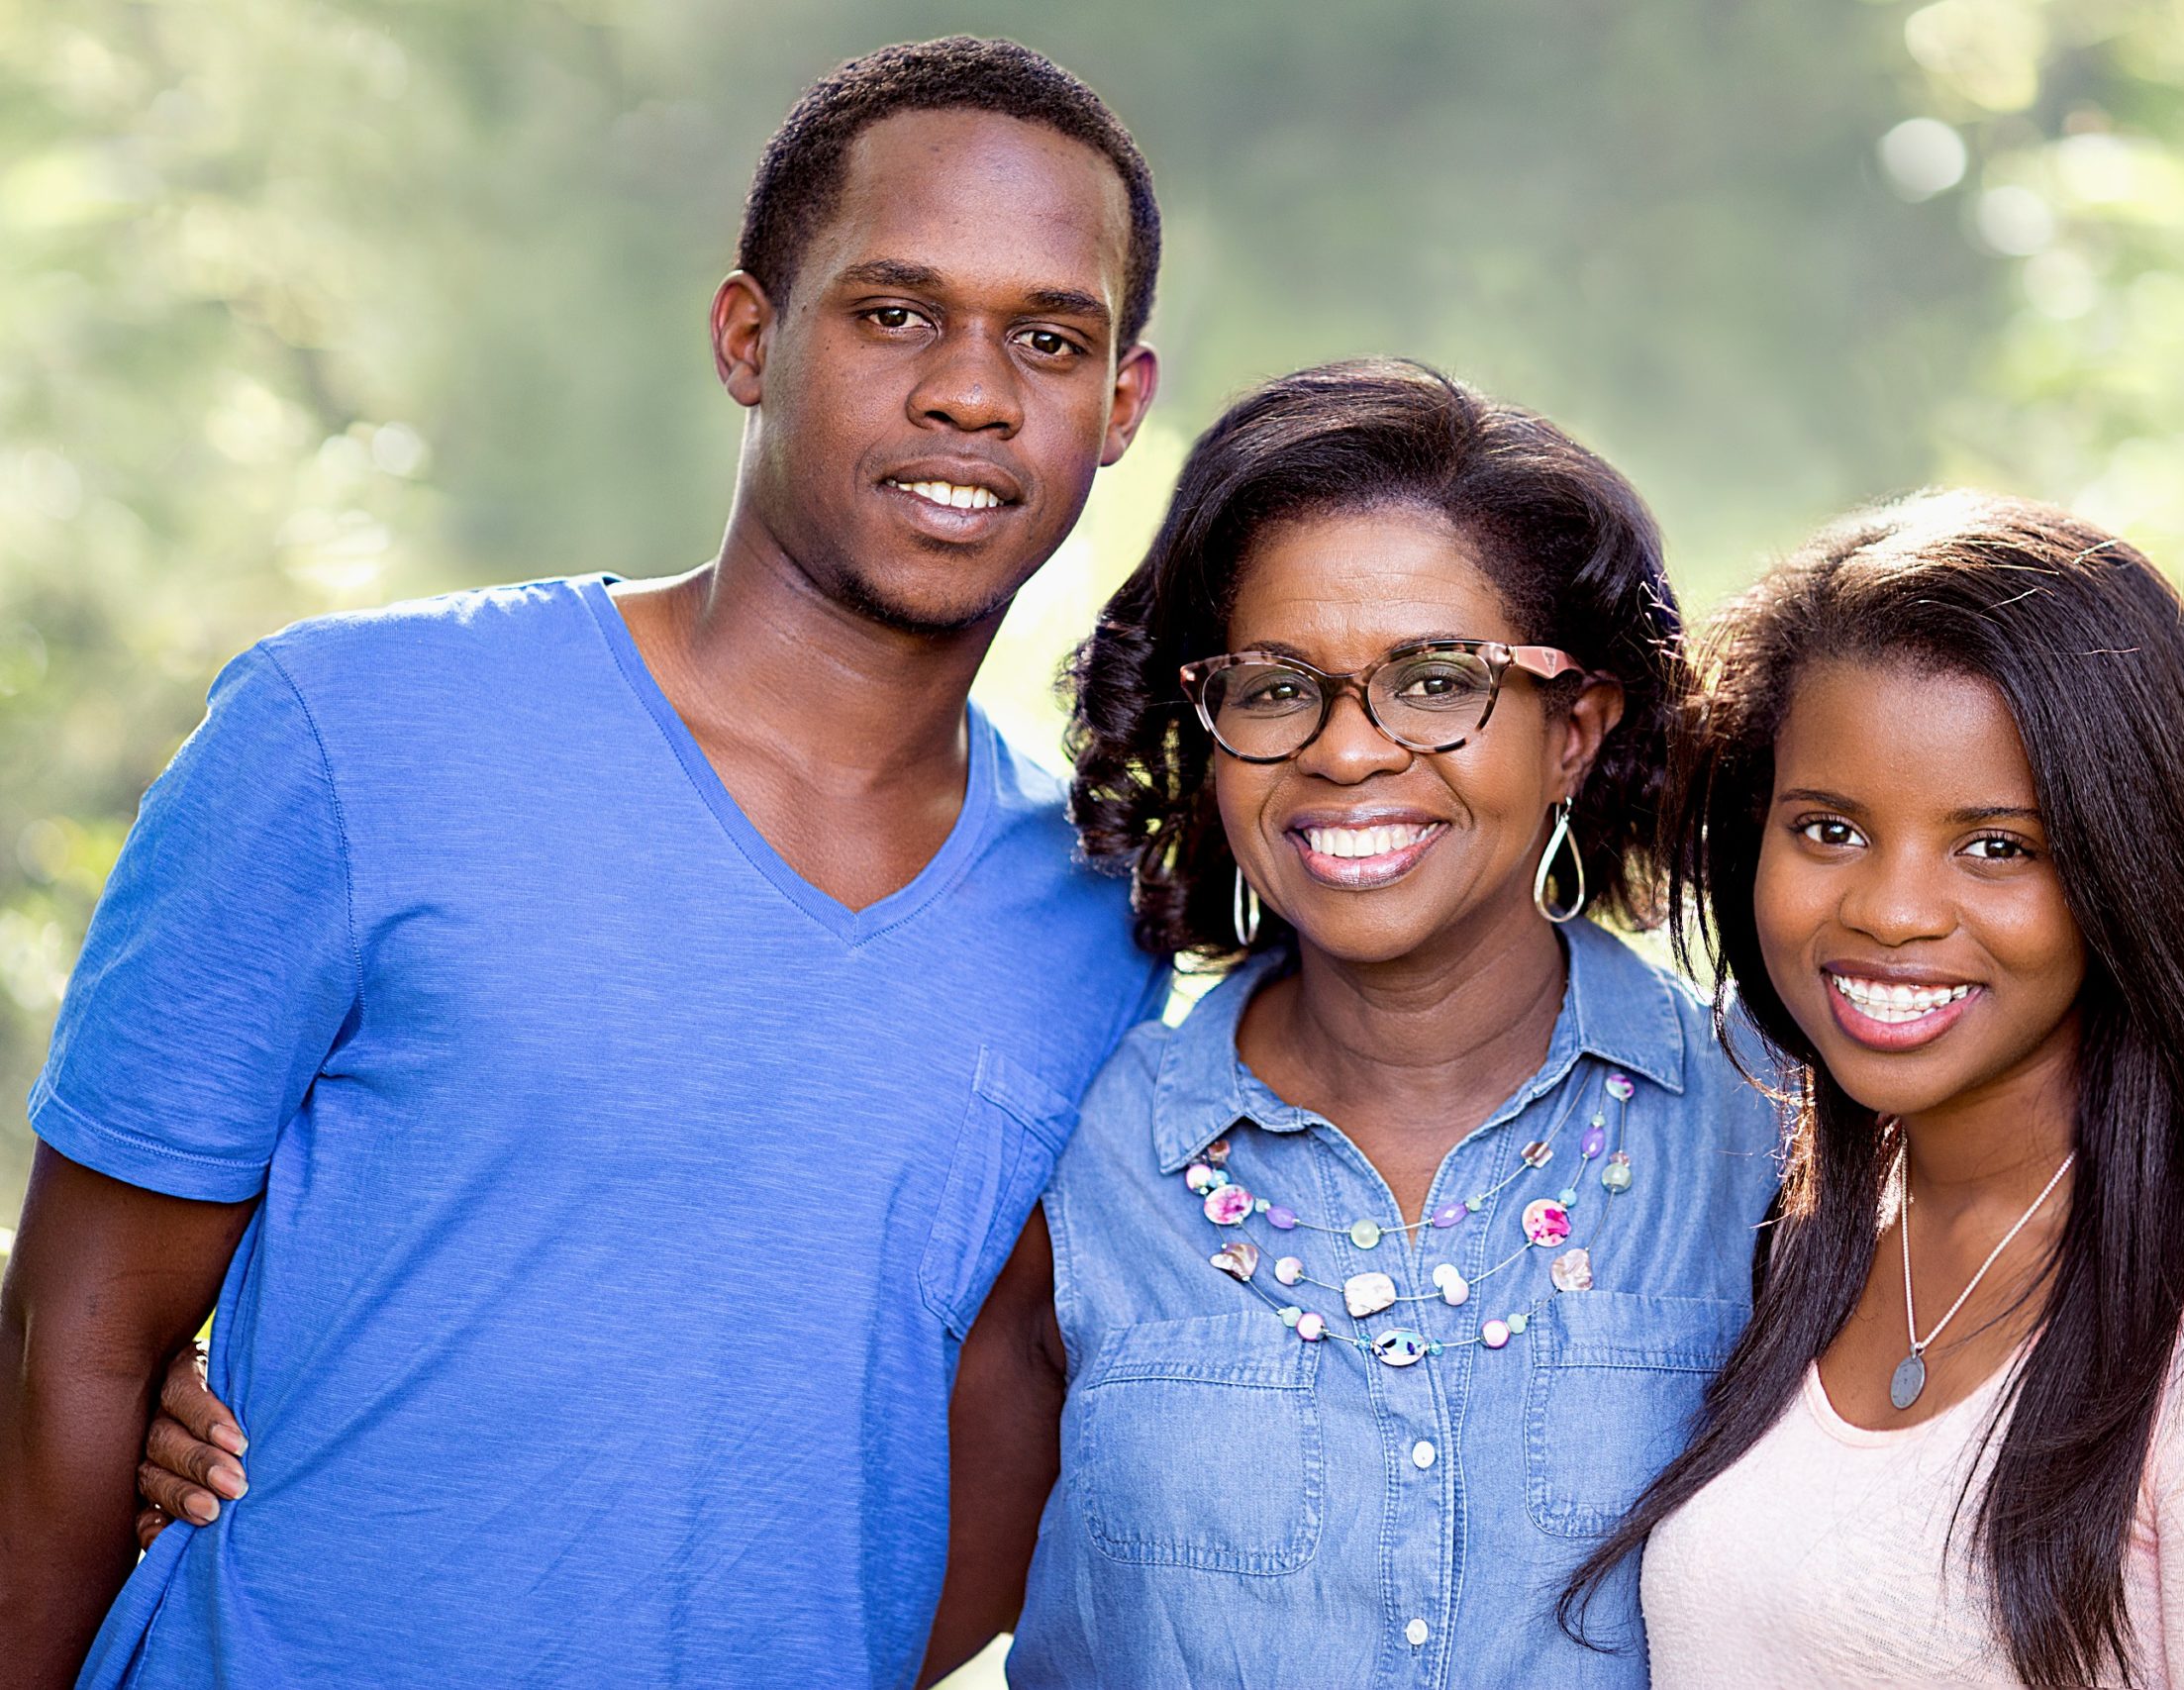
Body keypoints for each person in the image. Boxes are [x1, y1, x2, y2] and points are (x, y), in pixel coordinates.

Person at [0, 37, 1167, 1690]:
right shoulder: (353, 735)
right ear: (747, 337)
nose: (971, 392)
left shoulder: (1099, 920)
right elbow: (73, 1345)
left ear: (1120, 404)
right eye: (894, 310)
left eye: (1046, 339)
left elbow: (992, 1441)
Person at [926, 358, 1778, 1683]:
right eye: (1272, 685)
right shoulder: (1081, 1151)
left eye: (1436, 678)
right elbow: (868, 1624)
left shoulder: (1774, 1131)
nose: (1345, 747)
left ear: (1574, 729)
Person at [1571, 491, 2184, 1686]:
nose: (1889, 910)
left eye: (1996, 848)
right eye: (1827, 830)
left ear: (2128, 870)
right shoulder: (1798, 1233)